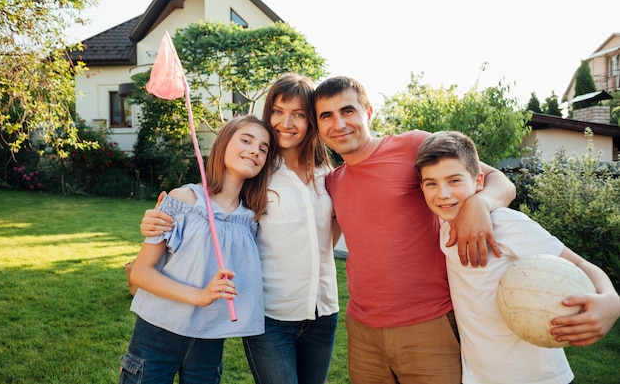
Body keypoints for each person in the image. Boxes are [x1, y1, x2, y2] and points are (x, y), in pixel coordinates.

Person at [313, 76, 516, 384]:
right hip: (362, 331)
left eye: (347, 111)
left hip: (429, 324)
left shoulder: (411, 146)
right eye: (326, 116)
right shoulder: (331, 181)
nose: (338, 123)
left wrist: (479, 204)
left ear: (368, 113)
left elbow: (499, 180)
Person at [141, 73, 341, 384]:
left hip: (323, 308)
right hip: (272, 311)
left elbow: (332, 226)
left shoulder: (327, 174)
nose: (286, 122)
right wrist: (159, 217)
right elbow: (214, 206)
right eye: (277, 111)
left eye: (299, 114)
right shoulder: (259, 173)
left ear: (311, 120)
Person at [414, 130, 620, 384]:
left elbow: (578, 263)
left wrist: (611, 299)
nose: (443, 193)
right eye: (431, 183)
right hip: (479, 377)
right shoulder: (444, 227)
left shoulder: (504, 223)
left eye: (454, 180)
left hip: (537, 377)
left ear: (479, 181)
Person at [119, 115, 277, 384]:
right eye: (246, 140)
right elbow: (140, 273)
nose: (255, 150)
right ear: (224, 143)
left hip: (209, 339)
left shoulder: (251, 219)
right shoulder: (183, 199)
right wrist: (199, 295)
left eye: (263, 149)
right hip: (157, 332)